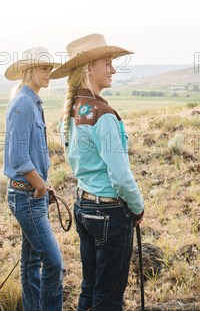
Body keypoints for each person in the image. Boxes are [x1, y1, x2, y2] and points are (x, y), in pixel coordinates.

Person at [51, 34, 144, 311]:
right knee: (109, 297)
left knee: (90, 288)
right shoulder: (103, 114)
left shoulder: (73, 110)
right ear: (89, 67)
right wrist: (138, 207)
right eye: (108, 63)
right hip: (110, 212)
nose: (113, 69)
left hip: (84, 205)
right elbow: (120, 175)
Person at [3, 46, 64, 311]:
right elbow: (17, 156)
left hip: (32, 194)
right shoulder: (23, 103)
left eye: (49, 68)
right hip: (27, 195)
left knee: (31, 263)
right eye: (42, 68)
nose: (48, 73)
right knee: (53, 262)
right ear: (28, 71)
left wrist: (42, 183)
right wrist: (39, 184)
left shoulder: (32, 101)